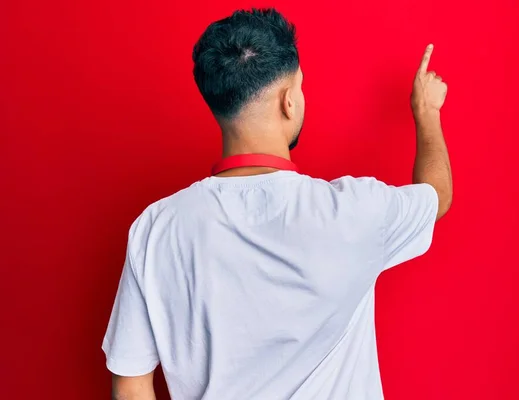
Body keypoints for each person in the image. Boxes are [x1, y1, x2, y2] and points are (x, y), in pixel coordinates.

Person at [102, 8, 452, 400]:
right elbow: (436, 197)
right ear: (289, 101)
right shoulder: (357, 211)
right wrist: (427, 113)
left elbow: (131, 382)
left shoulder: (156, 228)